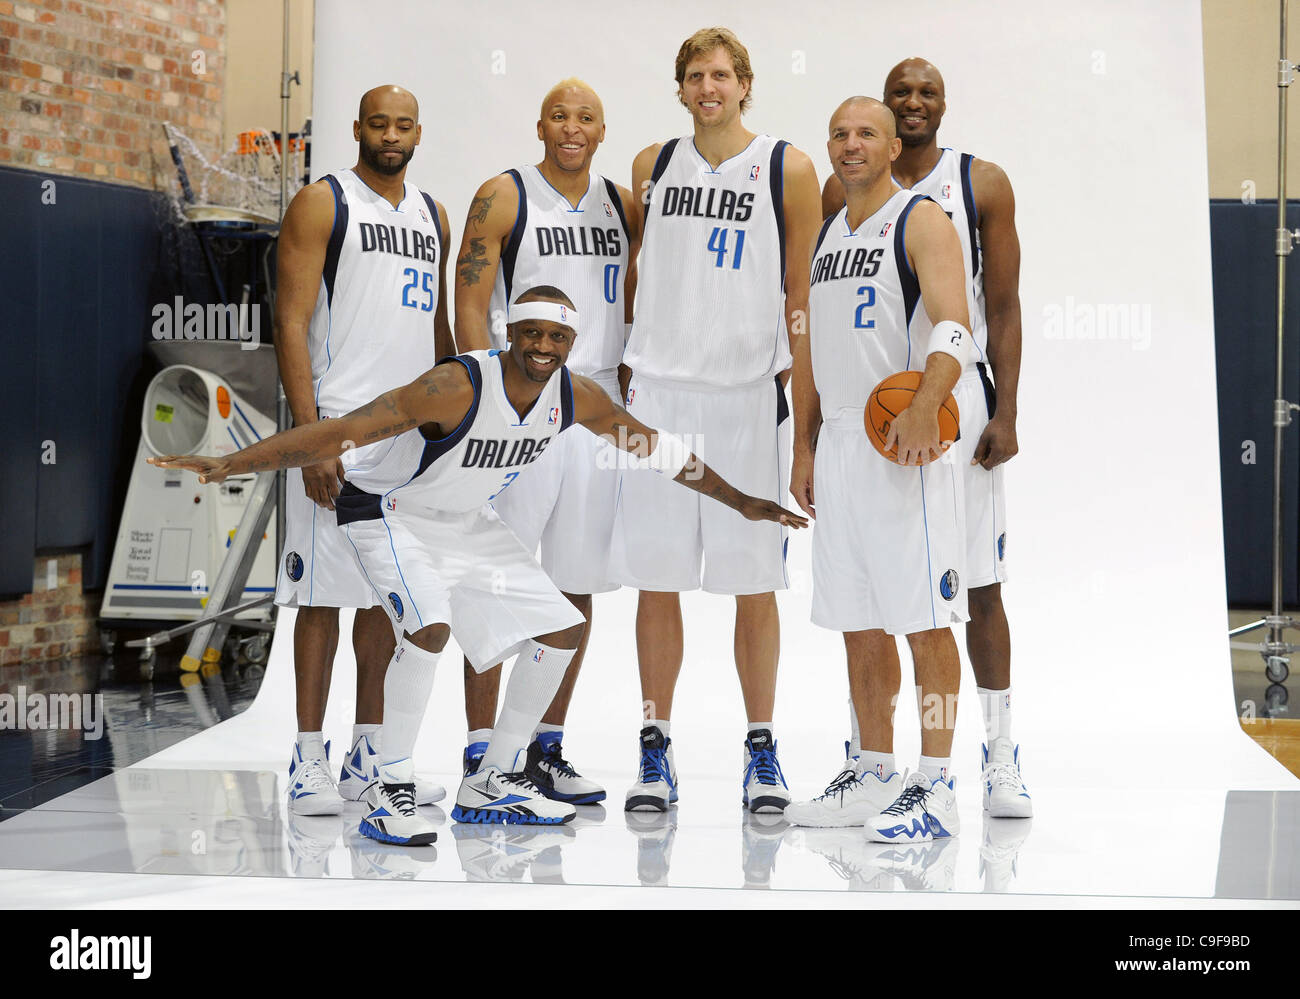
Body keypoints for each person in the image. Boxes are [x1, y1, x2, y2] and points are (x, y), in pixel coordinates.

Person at [153, 286, 808, 845]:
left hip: (466, 526)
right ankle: (391, 783)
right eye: (532, 332)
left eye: (557, 335)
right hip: (387, 511)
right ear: (510, 332)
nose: (544, 345)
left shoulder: (575, 397)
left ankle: (491, 777)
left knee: (560, 627)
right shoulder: (456, 384)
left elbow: (658, 449)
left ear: (571, 343)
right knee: (430, 625)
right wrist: (231, 463)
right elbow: (341, 432)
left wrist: (742, 499)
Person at [613, 26, 822, 813]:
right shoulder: (652, 164)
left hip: (743, 397)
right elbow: (643, 270)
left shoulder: (788, 167)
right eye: (696, 75)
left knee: (752, 582)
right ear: (680, 87)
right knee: (658, 580)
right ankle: (654, 746)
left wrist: (804, 406)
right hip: (661, 393)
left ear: (745, 85)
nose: (709, 87)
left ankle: (761, 749)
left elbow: (799, 292)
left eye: (722, 75)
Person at [821, 59, 1030, 818]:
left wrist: (1004, 410)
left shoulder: (977, 184)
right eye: (897, 93)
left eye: (925, 92)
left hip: (947, 401)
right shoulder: (839, 201)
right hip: (868, 413)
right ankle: (871, 758)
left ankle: (996, 755)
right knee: (872, 588)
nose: (913, 103)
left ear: (943, 103)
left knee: (969, 582)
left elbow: (998, 307)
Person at [785, 96, 970, 842]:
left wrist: (929, 402)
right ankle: (872, 770)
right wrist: (802, 444)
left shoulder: (921, 218)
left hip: (903, 449)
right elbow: (805, 351)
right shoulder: (827, 233)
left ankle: (937, 783)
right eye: (839, 132)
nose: (850, 143)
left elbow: (955, 323)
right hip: (837, 448)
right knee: (858, 624)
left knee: (925, 622)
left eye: (867, 133)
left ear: (895, 146)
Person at [452, 79, 639, 803]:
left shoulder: (622, 205)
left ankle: (542, 747)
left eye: (586, 116)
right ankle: (478, 751)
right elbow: (469, 299)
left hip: (592, 406)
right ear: (540, 125)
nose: (572, 126)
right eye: (560, 115)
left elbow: (635, 298)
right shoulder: (504, 192)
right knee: (494, 574)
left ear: (602, 130)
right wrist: (487, 398)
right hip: (523, 399)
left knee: (575, 580)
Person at [272, 84, 449, 816]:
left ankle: (366, 753)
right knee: (321, 598)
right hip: (337, 430)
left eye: (404, 123)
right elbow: (289, 322)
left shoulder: (432, 211)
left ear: (418, 131)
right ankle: (307, 754)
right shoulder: (323, 201)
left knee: (387, 596)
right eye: (379, 122)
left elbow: (437, 330)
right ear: (357, 129)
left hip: (403, 437)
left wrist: (447, 431)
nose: (391, 134)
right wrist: (311, 436)